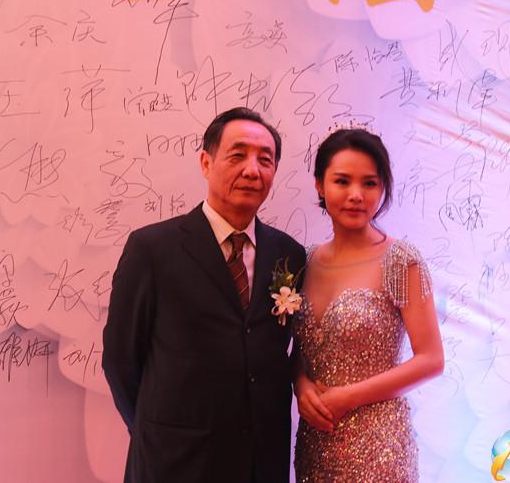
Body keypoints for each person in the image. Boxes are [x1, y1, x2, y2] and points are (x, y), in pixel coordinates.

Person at [102, 107, 306, 483]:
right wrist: (154, 433)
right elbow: (120, 360)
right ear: (206, 163)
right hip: (175, 463)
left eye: (265, 160)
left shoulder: (289, 254)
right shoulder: (153, 249)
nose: (252, 170)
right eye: (238, 155)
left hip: (261, 463)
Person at [292, 127, 444, 482]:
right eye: (342, 181)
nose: (356, 195)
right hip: (316, 439)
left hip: (379, 445)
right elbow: (297, 347)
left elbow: (431, 359)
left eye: (370, 183)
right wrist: (301, 384)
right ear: (320, 185)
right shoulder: (304, 260)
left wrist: (347, 397)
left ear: (383, 188)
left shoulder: (401, 260)